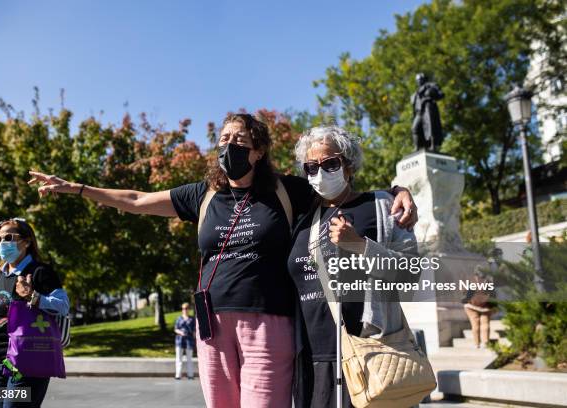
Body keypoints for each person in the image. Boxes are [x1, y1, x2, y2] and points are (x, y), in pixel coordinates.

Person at [28, 113, 417, 408]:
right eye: (223, 138)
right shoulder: (203, 195)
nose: (229, 145)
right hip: (211, 324)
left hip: (269, 321)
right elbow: (136, 200)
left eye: (240, 139)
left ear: (258, 150)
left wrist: (398, 190)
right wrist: (77, 188)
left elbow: (342, 189)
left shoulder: (285, 189)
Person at [288, 126, 419, 408]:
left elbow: (411, 273)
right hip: (312, 358)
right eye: (311, 167)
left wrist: (360, 245)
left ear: (348, 166)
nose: (320, 173)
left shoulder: (383, 206)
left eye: (330, 163)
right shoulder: (300, 219)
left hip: (370, 350)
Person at [0, 218, 69, 408]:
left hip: (25, 359)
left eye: (8, 237)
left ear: (27, 241)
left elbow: (63, 306)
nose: (2, 243)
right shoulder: (0, 275)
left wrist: (33, 296)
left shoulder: (40, 272)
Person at [463, 267, 496, 348]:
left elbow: (466, 296)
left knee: (475, 324)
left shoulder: (471, 282)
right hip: (485, 306)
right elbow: (493, 295)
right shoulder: (488, 282)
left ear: (475, 274)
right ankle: (485, 343)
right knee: (485, 324)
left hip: (471, 306)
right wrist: (493, 307)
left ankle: (477, 344)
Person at [174, 302, 195, 380]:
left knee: (189, 358)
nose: (185, 310)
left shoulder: (192, 319)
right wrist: (181, 332)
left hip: (189, 341)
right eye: (183, 309)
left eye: (186, 308)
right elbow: (176, 329)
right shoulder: (179, 318)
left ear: (188, 309)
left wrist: (195, 340)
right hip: (180, 340)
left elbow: (194, 331)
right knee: (179, 358)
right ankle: (178, 375)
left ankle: (190, 375)